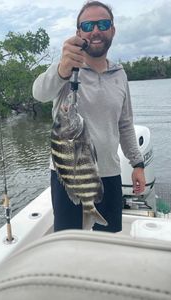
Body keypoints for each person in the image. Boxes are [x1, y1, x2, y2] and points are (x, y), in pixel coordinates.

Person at [32, 0, 146, 233]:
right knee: (68, 241)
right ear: (79, 32)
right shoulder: (66, 68)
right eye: (88, 25)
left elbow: (125, 124)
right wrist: (62, 69)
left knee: (109, 240)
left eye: (103, 24)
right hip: (68, 175)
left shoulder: (119, 74)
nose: (95, 30)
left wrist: (137, 163)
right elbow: (39, 93)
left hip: (109, 173)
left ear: (112, 30)